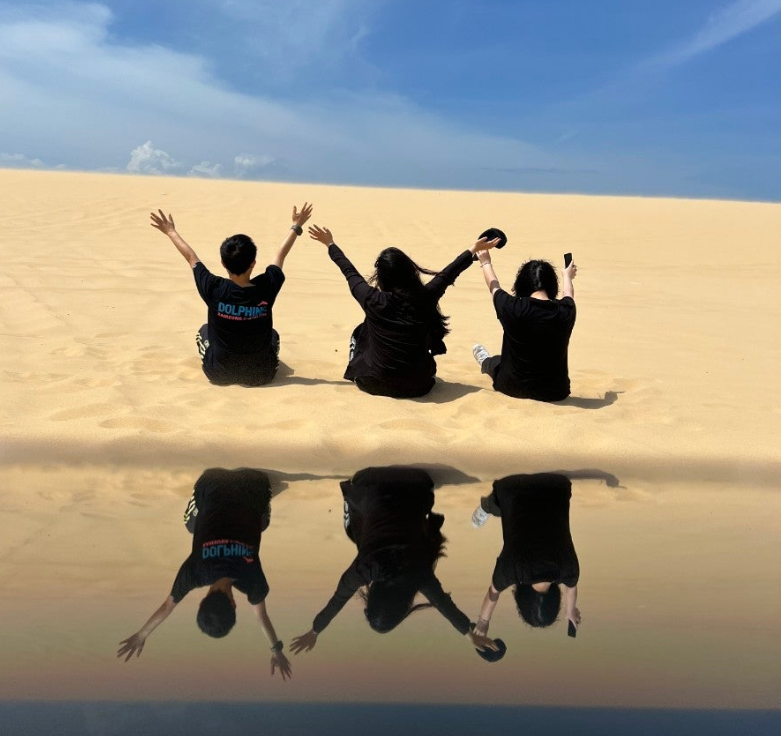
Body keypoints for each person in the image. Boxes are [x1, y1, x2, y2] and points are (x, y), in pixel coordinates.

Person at [289, 467, 498, 656]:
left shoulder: (419, 575)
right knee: (352, 532)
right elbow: (338, 600)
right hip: (369, 481)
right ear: (372, 599)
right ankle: (350, 501)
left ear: (404, 606)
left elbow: (442, 604)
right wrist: (315, 630)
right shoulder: (364, 569)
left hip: (417, 482)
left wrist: (469, 634)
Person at [117, 468, 292, 680]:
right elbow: (167, 606)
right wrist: (141, 635)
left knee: (262, 523)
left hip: (255, 482)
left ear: (234, 604)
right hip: (212, 480)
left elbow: (261, 616)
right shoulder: (195, 572)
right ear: (201, 602)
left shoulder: (252, 580)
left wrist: (276, 651)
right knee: (190, 524)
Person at [308, 225, 499, 398]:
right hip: (420, 387)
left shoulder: (372, 300)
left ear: (382, 277)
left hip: (374, 385)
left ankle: (356, 366)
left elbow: (349, 272)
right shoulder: (425, 296)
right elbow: (448, 273)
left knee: (360, 332)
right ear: (410, 272)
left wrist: (330, 244)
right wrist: (472, 251)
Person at [150, 203, 312, 386]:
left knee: (204, 331)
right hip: (262, 375)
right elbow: (280, 256)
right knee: (273, 336)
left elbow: (191, 257)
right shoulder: (267, 286)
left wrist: (170, 231)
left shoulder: (213, 287)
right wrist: (296, 226)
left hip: (219, 374)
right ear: (253, 263)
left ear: (223, 263)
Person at [470, 473, 581, 637]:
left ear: (556, 598)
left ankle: (491, 506)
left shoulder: (569, 571)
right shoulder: (510, 572)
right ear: (521, 599)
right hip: (512, 486)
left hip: (555, 484)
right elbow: (492, 594)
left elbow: (571, 590)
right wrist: (483, 622)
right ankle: (487, 506)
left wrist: (570, 610)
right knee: (503, 508)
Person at [472, 251, 577, 401]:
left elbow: (493, 287)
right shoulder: (566, 310)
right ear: (552, 285)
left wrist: (485, 262)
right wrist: (567, 276)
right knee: (501, 361)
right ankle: (487, 362)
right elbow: (568, 294)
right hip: (555, 392)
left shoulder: (511, 306)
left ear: (522, 283)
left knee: (496, 363)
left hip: (511, 387)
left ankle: (485, 362)